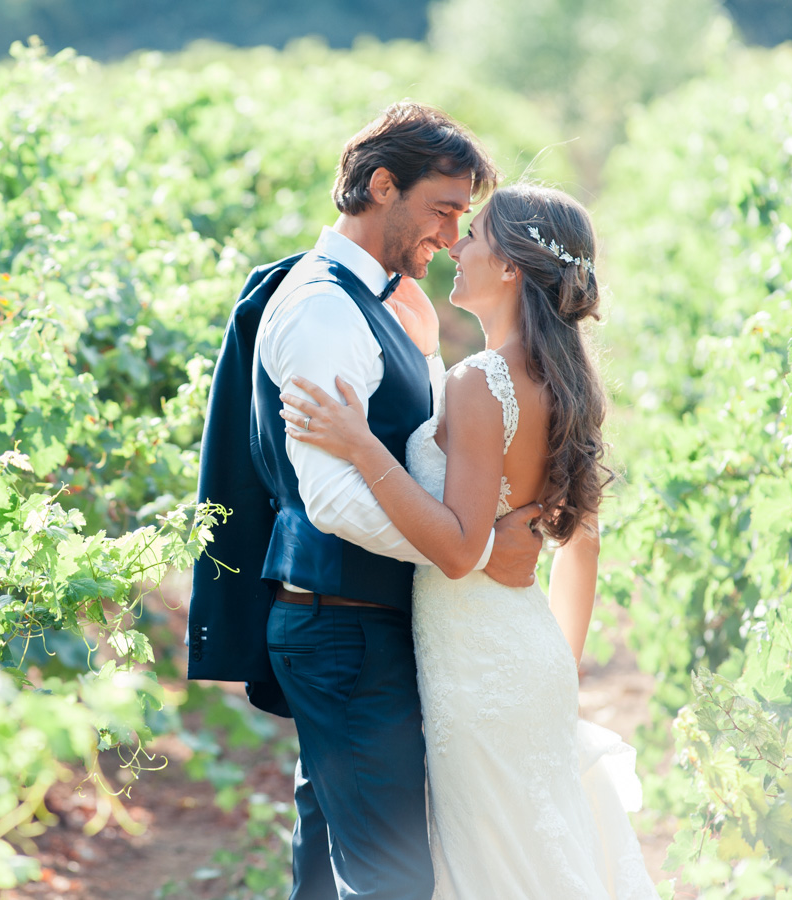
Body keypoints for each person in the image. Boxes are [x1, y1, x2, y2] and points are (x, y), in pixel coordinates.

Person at [186, 102, 545, 899]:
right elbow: (335, 501)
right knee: (391, 878)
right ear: (383, 186)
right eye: (443, 210)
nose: (453, 238)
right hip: (342, 627)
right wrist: (474, 551)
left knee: (332, 863)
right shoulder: (320, 309)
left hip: (358, 621)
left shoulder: (378, 301)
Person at [279, 183, 660, 898]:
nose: (457, 245)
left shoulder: (483, 381)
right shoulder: (564, 380)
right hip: (526, 655)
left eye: (476, 235)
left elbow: (457, 549)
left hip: (478, 666)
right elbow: (583, 548)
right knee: (531, 860)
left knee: (493, 869)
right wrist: (556, 672)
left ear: (512, 265)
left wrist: (363, 447)